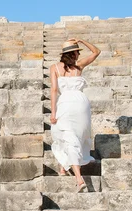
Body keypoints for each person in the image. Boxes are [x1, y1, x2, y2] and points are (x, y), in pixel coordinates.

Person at [50, 38, 101, 193]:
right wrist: (83, 40)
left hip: (66, 103)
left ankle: (78, 179)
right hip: (80, 103)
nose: (79, 54)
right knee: (74, 136)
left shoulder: (55, 68)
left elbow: (53, 90)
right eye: (78, 51)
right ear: (73, 53)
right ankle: (67, 170)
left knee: (68, 135)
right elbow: (96, 52)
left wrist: (53, 112)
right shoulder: (79, 66)